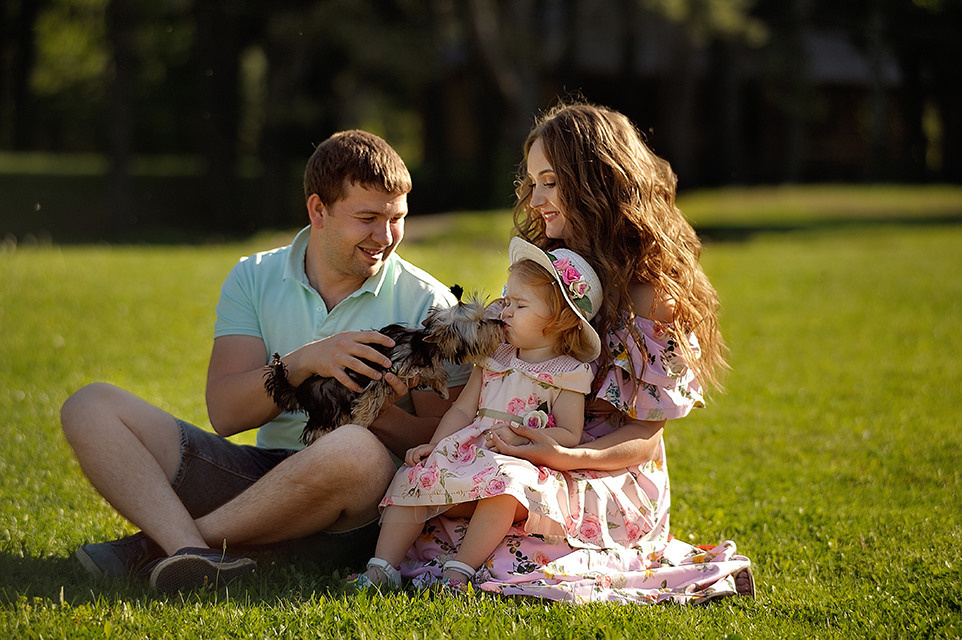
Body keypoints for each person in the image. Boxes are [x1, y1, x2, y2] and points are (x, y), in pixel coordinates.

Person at [60, 129, 471, 592]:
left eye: (397, 219)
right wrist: (302, 363)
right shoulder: (254, 276)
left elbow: (447, 443)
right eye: (367, 218)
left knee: (351, 448)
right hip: (259, 472)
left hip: (360, 500)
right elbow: (226, 414)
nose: (386, 236)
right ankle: (195, 551)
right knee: (90, 405)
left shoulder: (431, 303)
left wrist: (373, 415)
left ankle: (164, 546)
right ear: (318, 210)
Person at [398, 102, 754, 604]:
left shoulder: (650, 296)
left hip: (605, 466)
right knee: (442, 505)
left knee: (502, 535)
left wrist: (565, 456)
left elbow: (645, 436)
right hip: (533, 446)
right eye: (532, 182)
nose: (535, 198)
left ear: (595, 181)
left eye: (550, 181)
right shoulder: (549, 267)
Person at [351, 238, 603, 590]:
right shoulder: (494, 357)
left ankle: (460, 569)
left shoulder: (566, 372)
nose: (506, 312)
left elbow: (570, 435)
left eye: (520, 305)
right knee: (415, 473)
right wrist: (437, 446)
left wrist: (527, 440)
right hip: (472, 449)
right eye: (506, 300)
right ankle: (383, 566)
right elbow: (462, 408)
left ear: (559, 321)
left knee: (506, 490)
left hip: (521, 460)